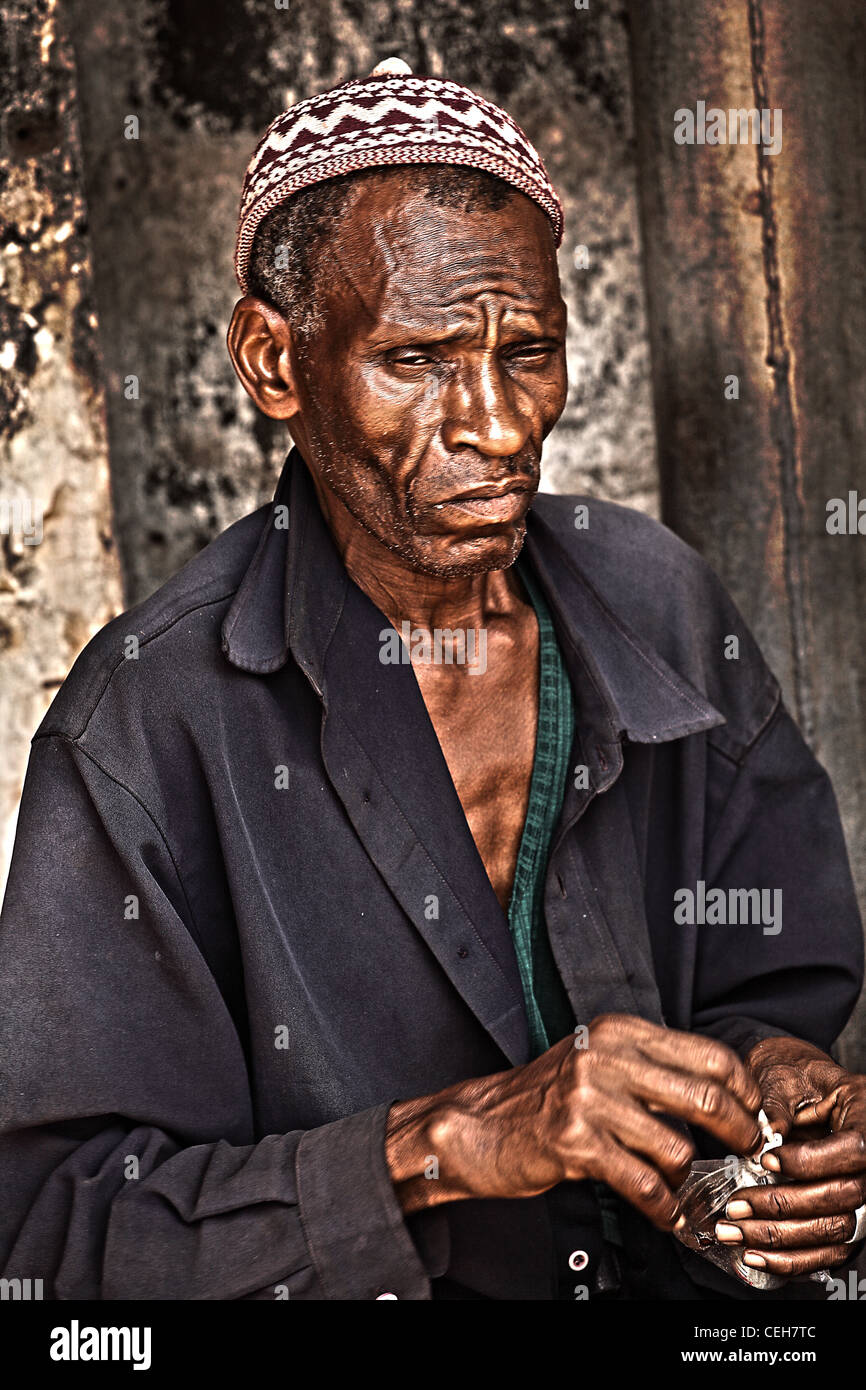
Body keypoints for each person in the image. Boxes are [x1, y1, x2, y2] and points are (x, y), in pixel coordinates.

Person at [1, 58, 864, 1302]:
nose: (500, 424)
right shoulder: (147, 725)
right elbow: (58, 1242)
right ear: (275, 362)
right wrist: (445, 1143)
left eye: (528, 351)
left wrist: (774, 1085)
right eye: (416, 359)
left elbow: (761, 985)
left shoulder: (657, 603)